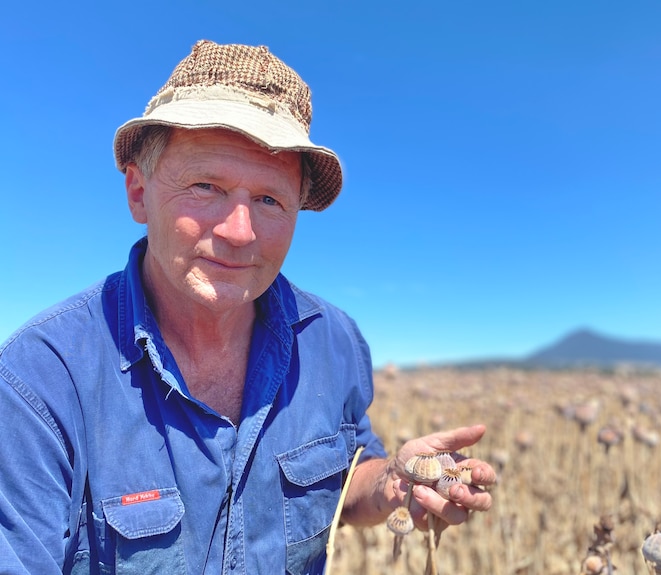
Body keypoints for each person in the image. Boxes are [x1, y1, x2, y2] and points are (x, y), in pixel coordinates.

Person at [0, 40, 495, 575]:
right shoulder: (41, 379)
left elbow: (347, 483)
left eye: (269, 200)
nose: (240, 233)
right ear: (139, 193)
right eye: (205, 186)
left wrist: (392, 484)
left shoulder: (333, 341)